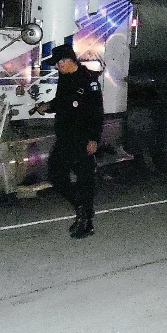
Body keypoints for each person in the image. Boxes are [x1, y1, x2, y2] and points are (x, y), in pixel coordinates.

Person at [36, 44, 103, 238]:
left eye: (58, 63)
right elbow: (61, 102)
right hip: (65, 136)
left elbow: (97, 112)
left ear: (68, 60)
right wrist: (47, 106)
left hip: (82, 137)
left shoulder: (88, 80)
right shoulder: (65, 78)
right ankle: (81, 209)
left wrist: (94, 138)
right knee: (56, 175)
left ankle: (86, 222)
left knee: (85, 180)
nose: (57, 67)